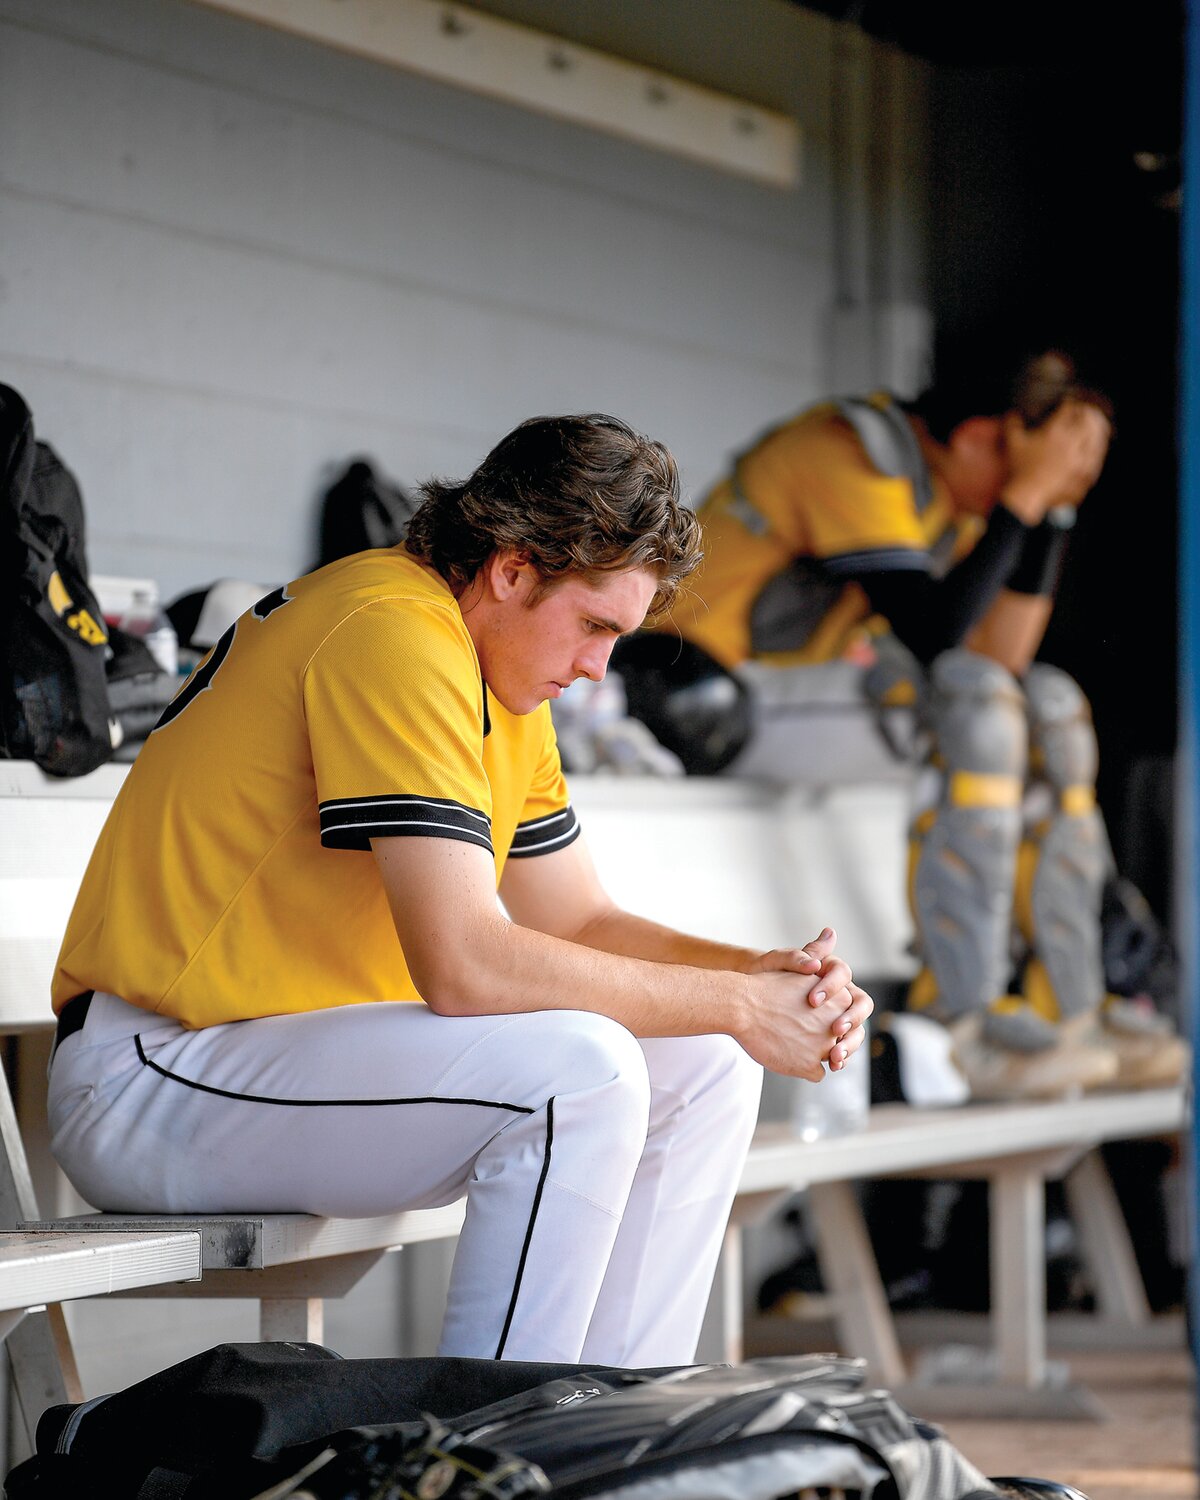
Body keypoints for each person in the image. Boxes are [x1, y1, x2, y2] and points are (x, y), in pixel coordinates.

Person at [46, 413, 872, 1368]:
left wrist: (763, 981)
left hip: (278, 1063)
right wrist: (737, 1002)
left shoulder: (498, 670)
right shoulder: (392, 628)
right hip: (154, 1073)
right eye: (597, 625)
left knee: (708, 1063)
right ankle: (492, 1462)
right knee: (582, 1074)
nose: (602, 667)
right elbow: (466, 966)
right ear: (512, 570)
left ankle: (611, 1444)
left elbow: (580, 920)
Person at [621, 350, 1185, 1100]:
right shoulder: (848, 449)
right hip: (696, 702)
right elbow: (939, 637)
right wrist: (1029, 491)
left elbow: (1005, 656)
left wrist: (1052, 507)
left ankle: (1073, 1007)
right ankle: (965, 1019)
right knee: (979, 707)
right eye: (1024, 456)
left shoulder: (941, 496)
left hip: (790, 708)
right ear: (987, 436)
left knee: (1048, 704)